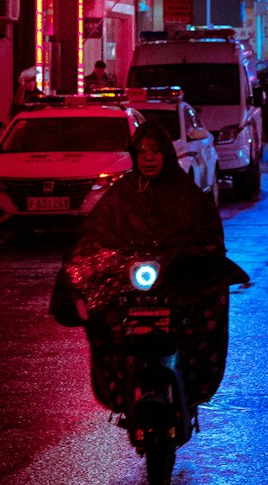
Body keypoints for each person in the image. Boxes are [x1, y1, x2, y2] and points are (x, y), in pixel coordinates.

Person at [52, 122, 241, 410]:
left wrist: (184, 254)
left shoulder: (187, 195)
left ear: (165, 154)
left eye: (154, 151)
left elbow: (208, 235)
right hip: (131, 281)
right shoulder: (123, 193)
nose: (148, 158)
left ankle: (190, 386)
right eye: (142, 152)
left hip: (177, 281)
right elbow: (96, 234)